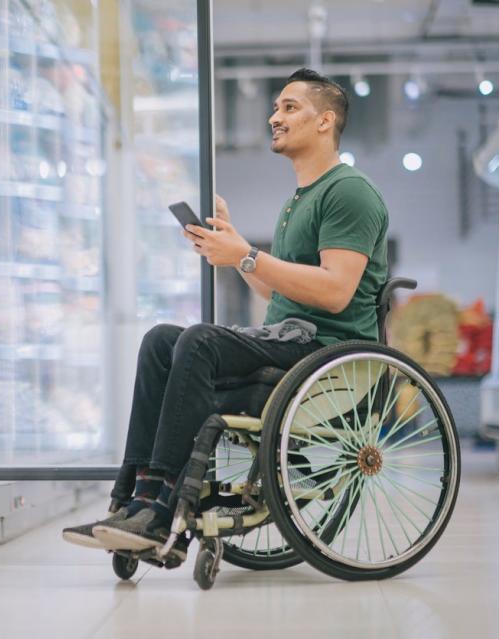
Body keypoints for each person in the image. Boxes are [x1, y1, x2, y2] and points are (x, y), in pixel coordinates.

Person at [62, 67, 389, 558]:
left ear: (325, 122)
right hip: (291, 338)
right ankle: (133, 498)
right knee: (160, 341)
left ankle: (164, 505)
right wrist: (234, 252)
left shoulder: (349, 192)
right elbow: (278, 290)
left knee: (198, 339)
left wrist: (247, 256)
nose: (274, 116)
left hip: (325, 351)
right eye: (276, 106)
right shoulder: (299, 199)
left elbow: (337, 293)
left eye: (289, 107)